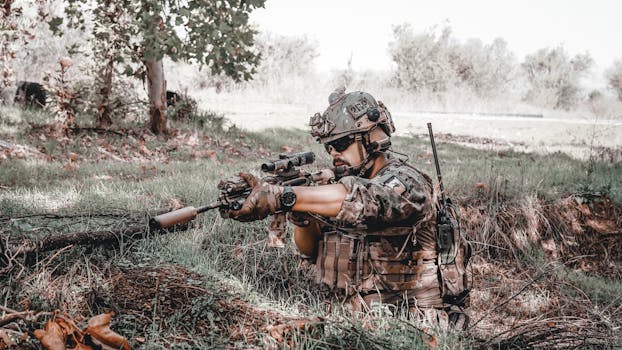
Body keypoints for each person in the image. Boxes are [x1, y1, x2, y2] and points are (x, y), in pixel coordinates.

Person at [224, 88, 469, 330]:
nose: (334, 153)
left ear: (372, 138)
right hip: (346, 320)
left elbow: (368, 198)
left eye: (341, 143)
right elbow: (309, 251)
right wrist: (303, 218)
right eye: (329, 147)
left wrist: (284, 197)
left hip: (408, 324)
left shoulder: (408, 180)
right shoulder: (336, 187)